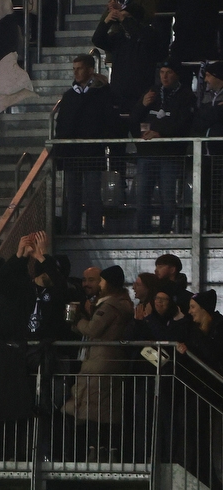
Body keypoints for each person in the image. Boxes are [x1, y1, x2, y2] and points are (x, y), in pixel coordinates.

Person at [63, 265, 133, 461]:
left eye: (101, 280)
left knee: (94, 409)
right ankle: (104, 450)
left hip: (101, 363)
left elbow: (94, 330)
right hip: (108, 362)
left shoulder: (110, 306)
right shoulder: (120, 303)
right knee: (103, 409)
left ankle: (97, 451)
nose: (99, 284)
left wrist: (76, 319)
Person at [54, 53, 119, 234]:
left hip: (92, 152)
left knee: (92, 195)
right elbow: (62, 125)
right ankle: (73, 230)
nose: (76, 73)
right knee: (73, 196)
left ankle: (95, 229)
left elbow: (110, 119)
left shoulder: (101, 94)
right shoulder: (69, 96)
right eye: (74, 69)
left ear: (90, 70)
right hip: (72, 154)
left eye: (79, 68)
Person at [130, 61, 195, 234]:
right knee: (142, 197)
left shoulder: (186, 95)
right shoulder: (151, 93)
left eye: (169, 73)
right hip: (147, 153)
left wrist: (160, 133)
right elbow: (133, 120)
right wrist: (142, 105)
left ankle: (165, 231)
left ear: (177, 75)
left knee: (168, 198)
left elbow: (184, 124)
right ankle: (142, 231)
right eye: (162, 72)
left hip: (170, 155)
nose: (164, 76)